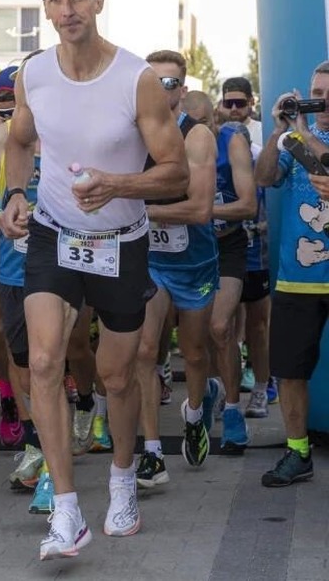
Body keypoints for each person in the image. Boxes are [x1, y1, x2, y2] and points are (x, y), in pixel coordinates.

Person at [0, 0, 188, 560]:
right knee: (47, 361)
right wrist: (13, 194)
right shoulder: (33, 73)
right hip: (54, 235)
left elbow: (176, 173)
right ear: (47, 11)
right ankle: (67, 509)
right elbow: (21, 140)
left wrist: (118, 184)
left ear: (98, 3)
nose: (68, 8)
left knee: (115, 375)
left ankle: (123, 479)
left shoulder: (137, 80)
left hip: (121, 242)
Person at [133, 51, 218, 488]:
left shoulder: (197, 136)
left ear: (182, 90)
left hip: (194, 263)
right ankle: (151, 452)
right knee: (146, 352)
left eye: (170, 84)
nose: (161, 90)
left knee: (196, 351)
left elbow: (201, 209)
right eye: (154, 82)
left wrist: (138, 210)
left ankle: (197, 411)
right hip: (149, 261)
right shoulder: (133, 134)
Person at [254, 60, 329, 487]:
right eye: (315, 90)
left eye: (327, 93)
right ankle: (298, 452)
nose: (320, 100)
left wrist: (298, 132)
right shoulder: (296, 136)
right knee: (290, 370)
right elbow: (265, 178)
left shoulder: (307, 137)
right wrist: (278, 131)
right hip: (297, 278)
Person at [184, 91, 257, 453]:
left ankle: (232, 410)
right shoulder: (173, 140)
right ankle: (208, 389)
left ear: (215, 117)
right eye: (191, 126)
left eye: (205, 124)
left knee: (219, 326)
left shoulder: (233, 140)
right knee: (194, 339)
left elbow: (248, 204)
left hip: (227, 247)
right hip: (188, 249)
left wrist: (203, 211)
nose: (199, 134)